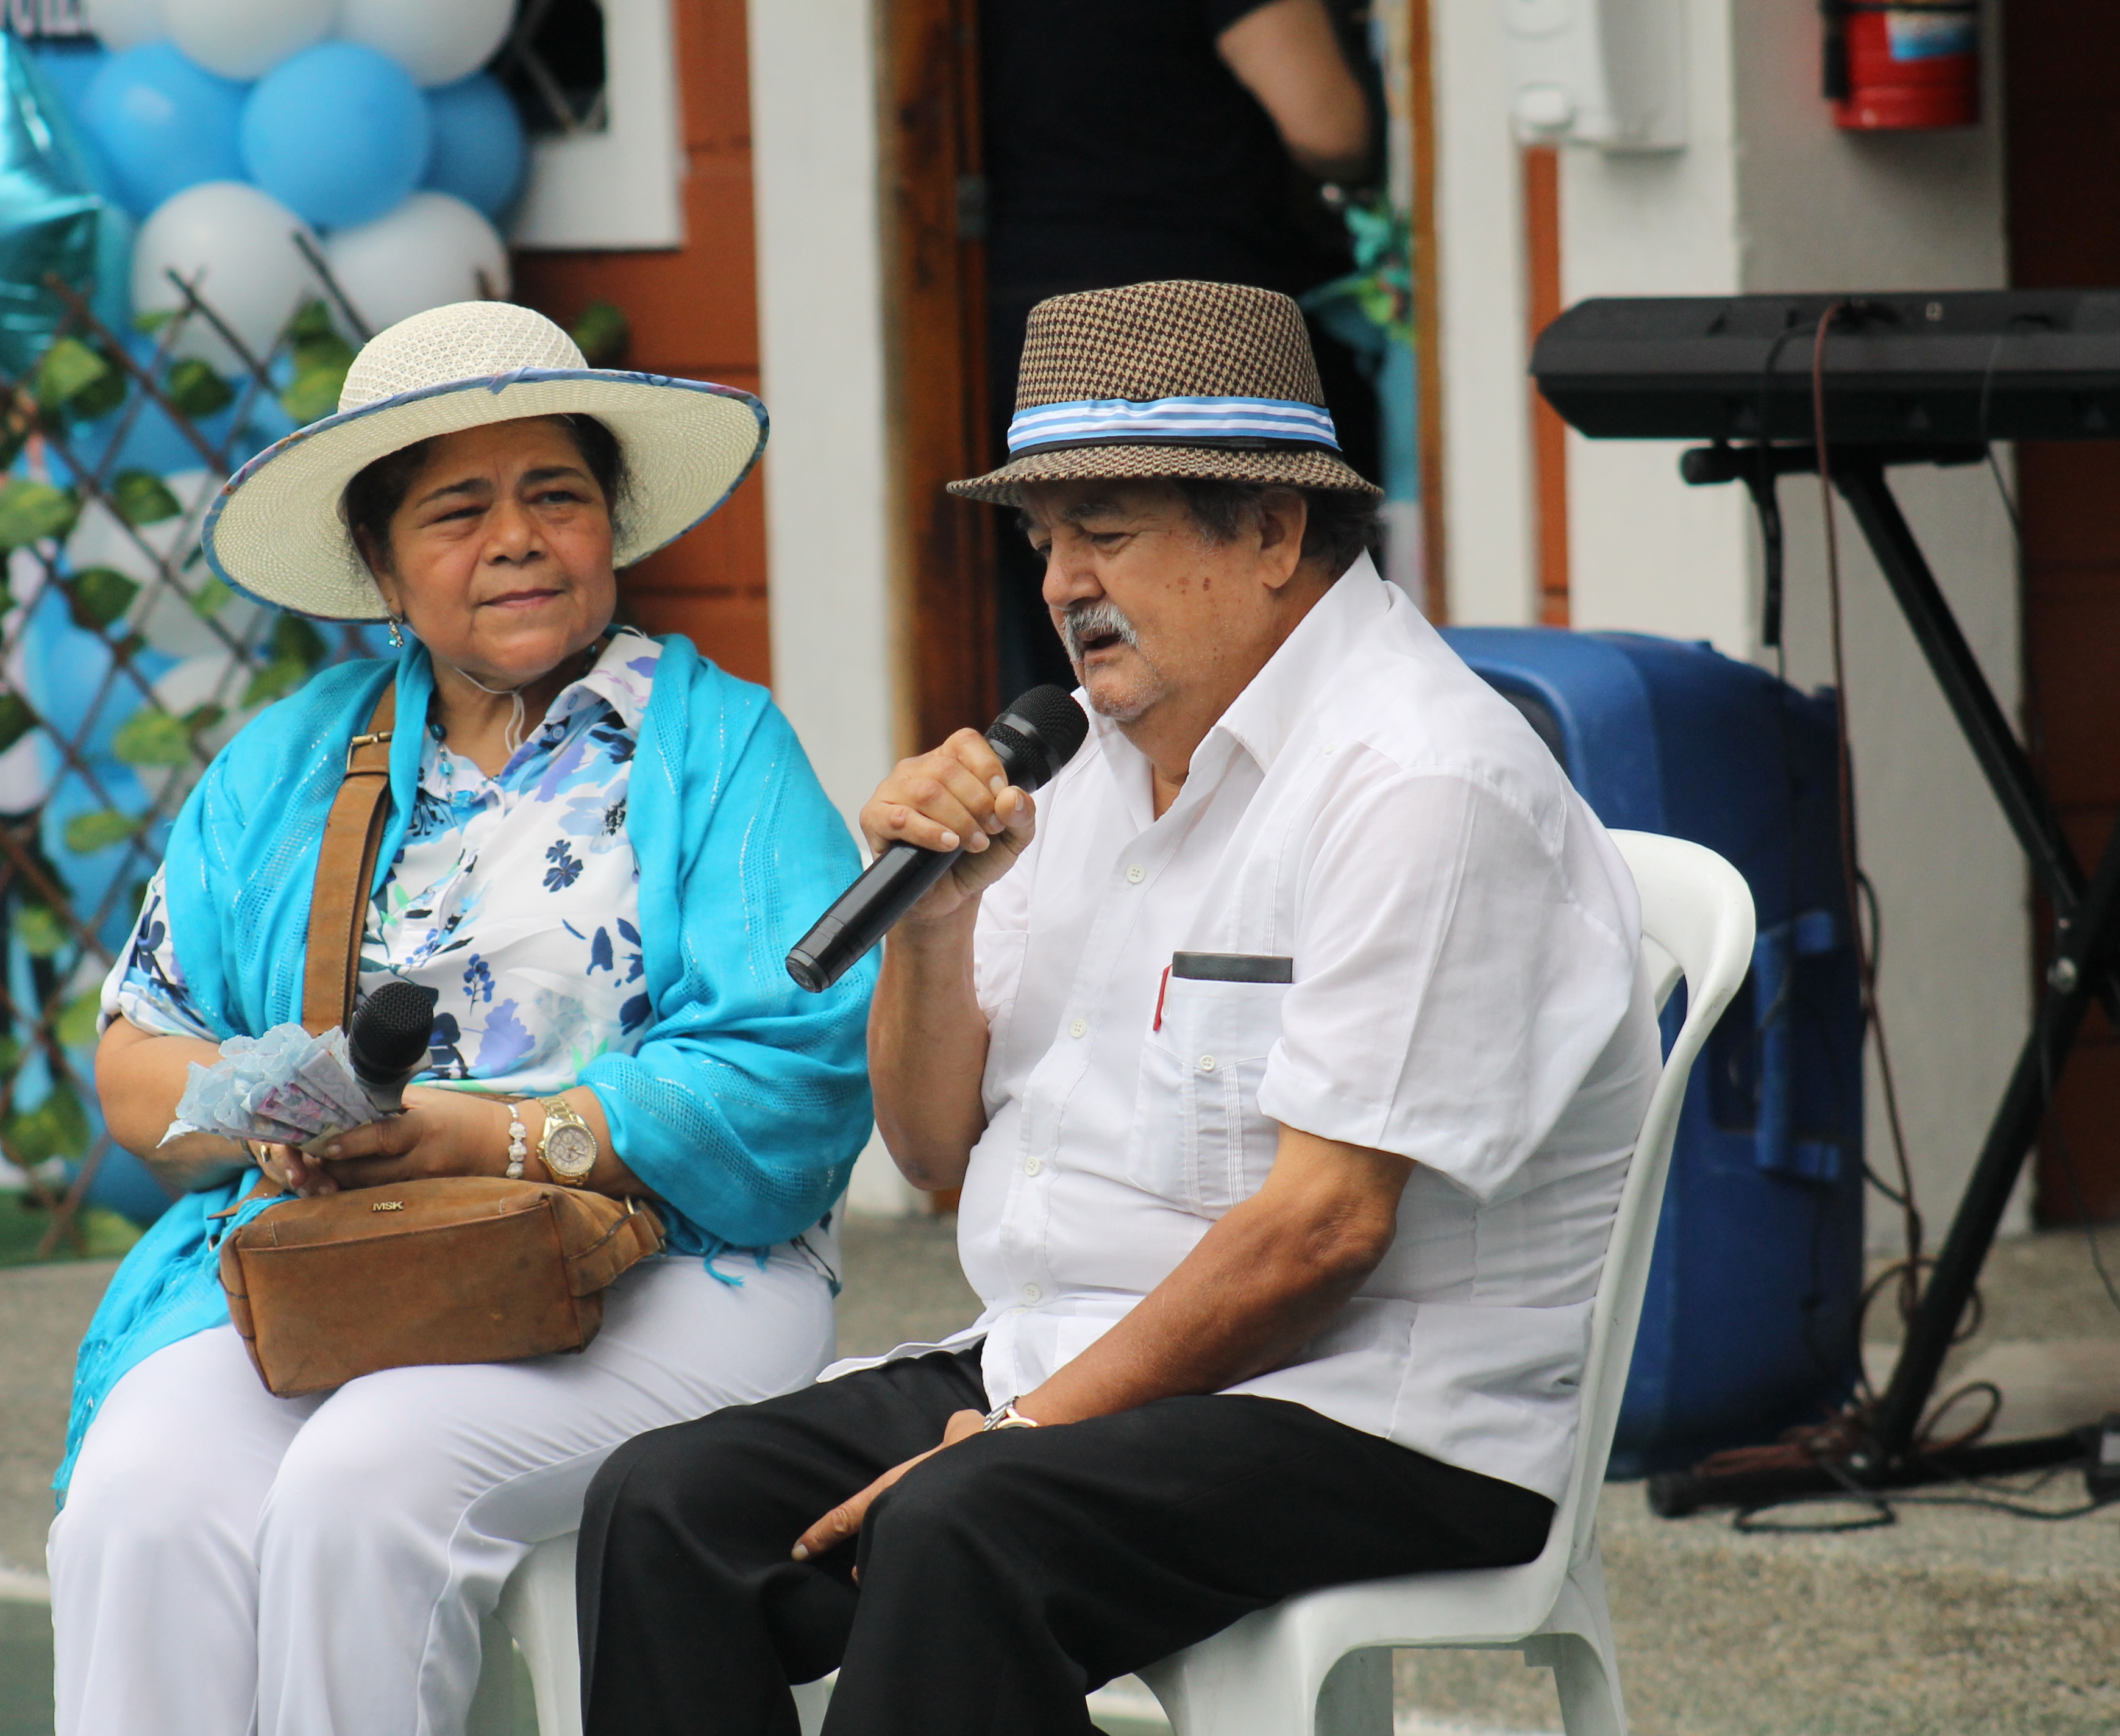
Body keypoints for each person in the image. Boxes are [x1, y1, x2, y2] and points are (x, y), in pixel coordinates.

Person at [578, 280, 1662, 1736]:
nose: (1057, 581)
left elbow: (1322, 1230)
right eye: (1044, 537)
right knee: (663, 1504)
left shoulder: (1418, 781)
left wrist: (1024, 1432)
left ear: (1273, 530)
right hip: (1071, 1352)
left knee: (960, 1526)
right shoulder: (1091, 763)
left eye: (1108, 529)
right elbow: (932, 1149)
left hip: (1378, 1405)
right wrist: (933, 922)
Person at [48, 301, 876, 1736]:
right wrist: (289, 1104)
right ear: (380, 565)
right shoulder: (292, 756)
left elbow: (792, 1079)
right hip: (342, 1260)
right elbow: (135, 1056)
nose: (515, 536)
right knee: (139, 1502)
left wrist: (470, 1136)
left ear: (609, 523)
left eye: (554, 492)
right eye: (456, 509)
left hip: (674, 1259)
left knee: (365, 1482)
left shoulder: (717, 742)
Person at [981, 0, 1382, 698]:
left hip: (1036, 317)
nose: (1060, 580)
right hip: (1201, 326)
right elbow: (1329, 127)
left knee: (1116, 667)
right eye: (1046, 546)